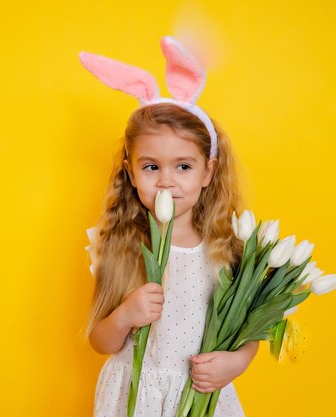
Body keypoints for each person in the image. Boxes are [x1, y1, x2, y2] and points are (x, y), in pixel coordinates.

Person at [81, 37, 259, 417]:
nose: (166, 181)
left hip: (200, 397)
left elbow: (248, 327)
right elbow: (100, 340)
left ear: (208, 171)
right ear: (130, 172)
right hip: (136, 396)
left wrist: (237, 362)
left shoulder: (227, 245)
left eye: (183, 166)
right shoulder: (122, 243)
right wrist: (125, 315)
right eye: (151, 167)